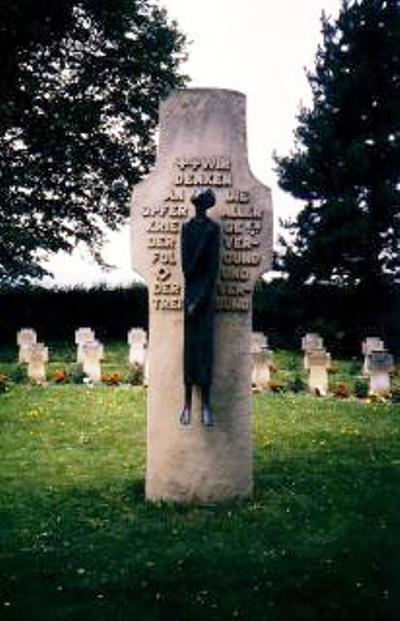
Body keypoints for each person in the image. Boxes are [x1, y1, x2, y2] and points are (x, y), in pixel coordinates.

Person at [180, 188, 220, 427]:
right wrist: (190, 301)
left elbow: (212, 270)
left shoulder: (212, 230)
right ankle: (186, 403)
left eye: (201, 200)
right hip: (190, 292)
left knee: (205, 351)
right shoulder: (187, 227)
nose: (198, 203)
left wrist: (200, 301)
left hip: (205, 297)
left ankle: (206, 404)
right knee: (189, 352)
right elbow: (186, 267)